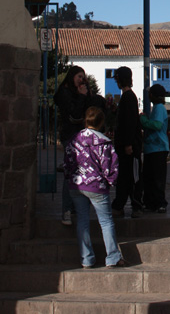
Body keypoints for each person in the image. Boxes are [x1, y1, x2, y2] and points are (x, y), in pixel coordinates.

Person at [64, 106, 125, 268]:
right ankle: (112, 256)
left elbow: (67, 162)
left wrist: (69, 176)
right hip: (97, 186)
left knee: (82, 221)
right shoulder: (104, 143)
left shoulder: (74, 140)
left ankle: (86, 258)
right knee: (106, 221)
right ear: (101, 122)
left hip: (77, 184)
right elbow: (109, 167)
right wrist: (111, 181)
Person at [54, 65, 105, 226]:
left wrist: (88, 95)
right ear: (72, 77)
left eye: (84, 77)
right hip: (70, 136)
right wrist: (82, 96)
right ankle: (67, 209)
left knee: (82, 172)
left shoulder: (80, 93)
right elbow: (74, 115)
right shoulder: (65, 93)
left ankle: (76, 207)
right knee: (71, 172)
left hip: (81, 137)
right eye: (79, 77)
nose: (82, 80)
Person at [111, 66, 143, 218]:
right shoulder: (127, 97)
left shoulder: (129, 97)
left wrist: (129, 144)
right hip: (125, 145)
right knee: (125, 176)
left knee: (131, 176)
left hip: (129, 146)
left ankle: (134, 205)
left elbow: (130, 122)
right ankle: (120, 204)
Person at [140, 84, 169, 213]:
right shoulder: (156, 108)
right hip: (152, 148)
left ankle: (160, 203)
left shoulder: (159, 108)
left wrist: (144, 120)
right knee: (149, 177)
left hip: (158, 148)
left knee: (157, 178)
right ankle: (150, 202)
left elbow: (157, 125)